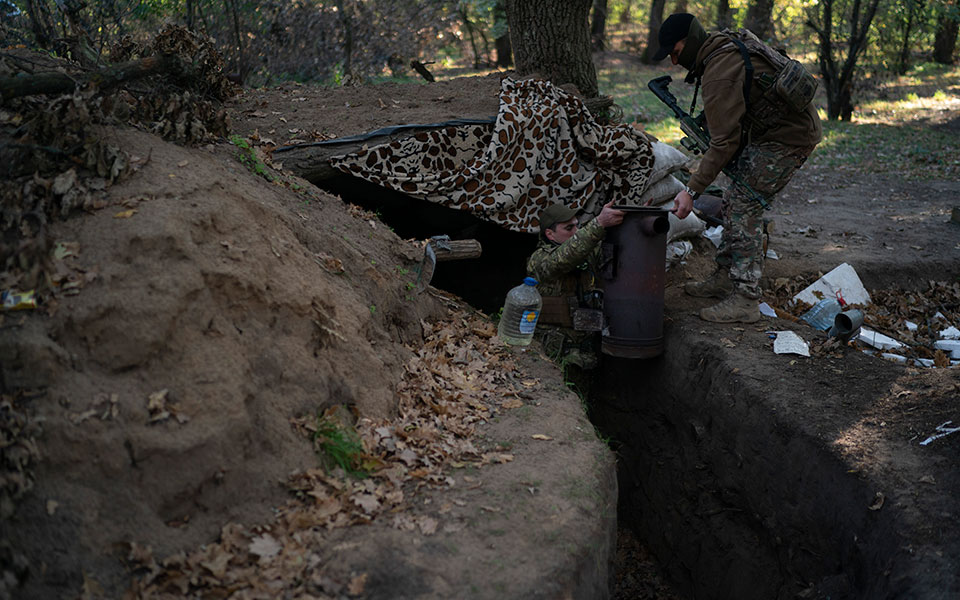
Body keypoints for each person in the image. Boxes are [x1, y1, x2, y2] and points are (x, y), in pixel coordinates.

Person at [652, 13, 822, 323]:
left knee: (744, 206)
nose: (675, 62)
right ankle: (725, 276)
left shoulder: (719, 71)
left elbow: (723, 144)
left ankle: (745, 298)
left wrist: (691, 190)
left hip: (788, 137)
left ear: (689, 41)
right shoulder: (720, 47)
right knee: (733, 200)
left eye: (675, 52)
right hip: (773, 132)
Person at [526, 200, 624, 393]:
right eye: (568, 228)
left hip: (587, 350)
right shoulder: (539, 259)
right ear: (550, 234)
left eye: (577, 226)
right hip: (553, 354)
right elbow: (564, 258)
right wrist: (598, 224)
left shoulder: (587, 253)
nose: (575, 231)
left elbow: (613, 256)